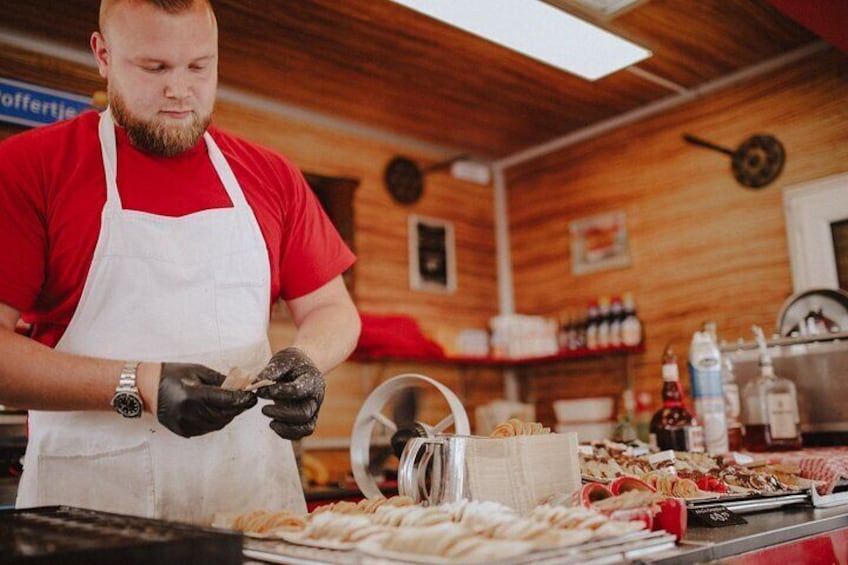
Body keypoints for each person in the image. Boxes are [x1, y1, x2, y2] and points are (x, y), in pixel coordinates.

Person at [0, 0, 360, 524]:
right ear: (102, 55)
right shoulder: (29, 168)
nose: (179, 90)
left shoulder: (272, 175)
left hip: (251, 505)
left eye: (199, 66)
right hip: (91, 512)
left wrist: (308, 359)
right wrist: (138, 385)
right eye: (154, 68)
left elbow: (333, 308)